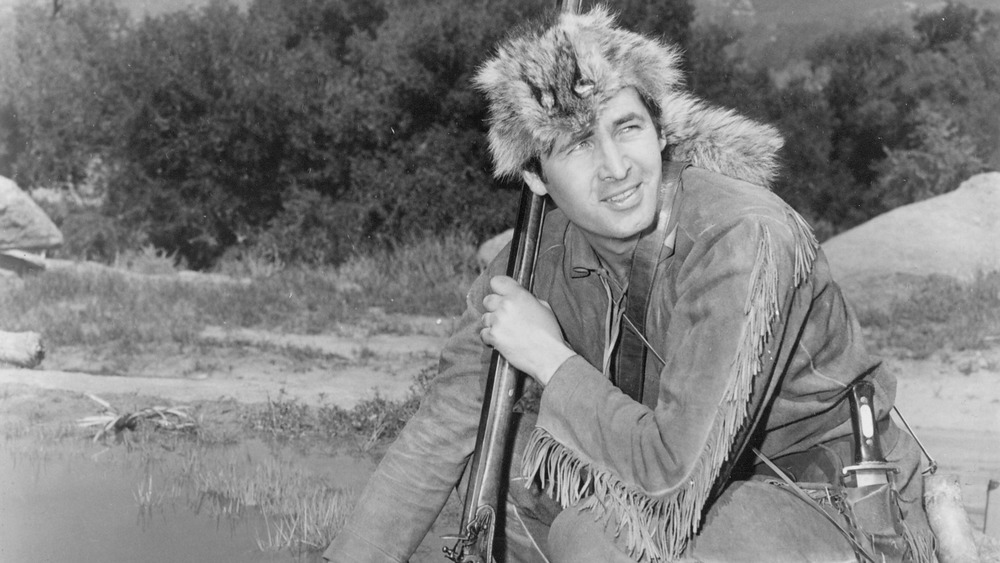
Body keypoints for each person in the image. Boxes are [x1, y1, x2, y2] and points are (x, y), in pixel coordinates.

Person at [324, 7, 933, 563]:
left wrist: (547, 356)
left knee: (594, 536)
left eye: (627, 127)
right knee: (499, 462)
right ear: (535, 179)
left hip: (828, 499)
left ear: (661, 130)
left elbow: (671, 480)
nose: (616, 168)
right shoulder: (530, 256)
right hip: (684, 482)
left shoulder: (743, 235)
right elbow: (446, 425)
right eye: (578, 144)